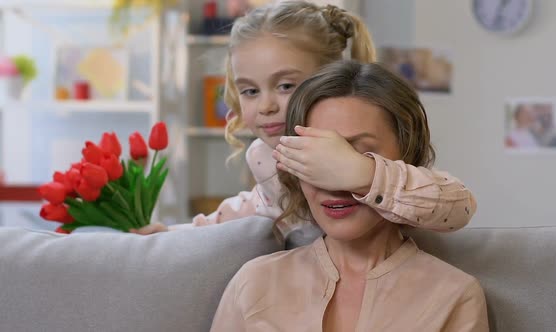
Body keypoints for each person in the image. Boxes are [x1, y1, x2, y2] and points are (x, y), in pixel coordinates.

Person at [132, 0, 476, 240]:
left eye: (285, 86)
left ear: (331, 78)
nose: (265, 106)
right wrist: (172, 236)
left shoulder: (363, 140)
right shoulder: (267, 159)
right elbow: (248, 211)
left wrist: (361, 173)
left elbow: (458, 206)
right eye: (250, 91)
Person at [210, 61, 489, 331]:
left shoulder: (454, 296)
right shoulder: (253, 283)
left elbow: (458, 204)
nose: (333, 183)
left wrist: (362, 175)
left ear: (406, 155)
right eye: (314, 158)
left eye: (355, 155)